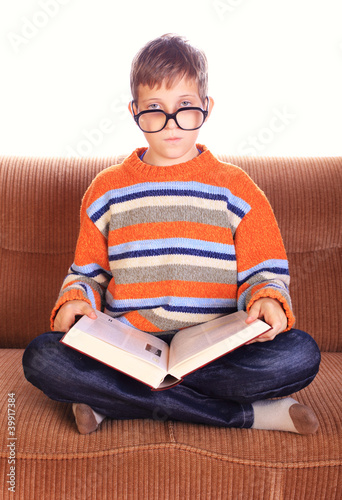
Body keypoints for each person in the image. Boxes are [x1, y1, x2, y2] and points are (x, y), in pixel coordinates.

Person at [23, 34, 320, 435]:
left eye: (185, 109)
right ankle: (249, 415)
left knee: (299, 355)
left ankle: (111, 401)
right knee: (42, 357)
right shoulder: (105, 190)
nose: (171, 125)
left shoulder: (237, 189)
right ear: (134, 112)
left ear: (206, 108)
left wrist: (268, 301)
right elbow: (87, 275)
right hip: (126, 351)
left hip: (214, 354)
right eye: (154, 110)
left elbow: (264, 275)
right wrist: (75, 301)